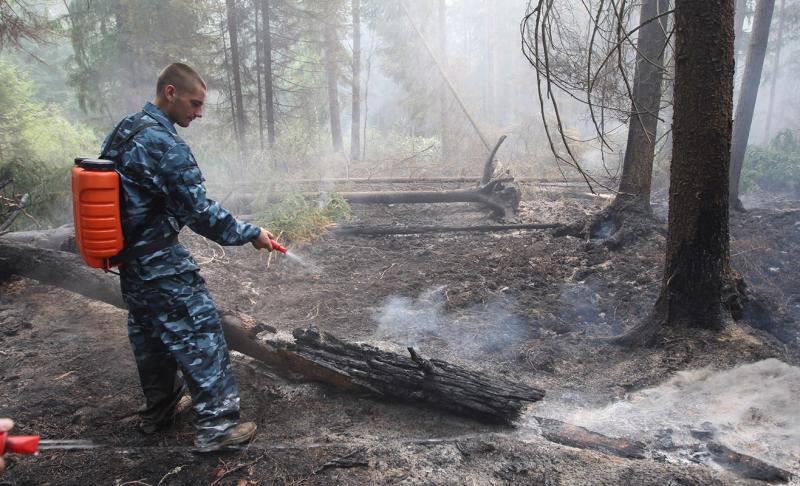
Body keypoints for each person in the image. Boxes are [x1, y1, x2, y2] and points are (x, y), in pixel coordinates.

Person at [100, 63, 274, 452]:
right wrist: (250, 233)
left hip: (131, 263)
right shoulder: (166, 145)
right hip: (160, 262)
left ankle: (158, 413)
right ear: (171, 93)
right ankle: (217, 430)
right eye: (195, 104)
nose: (199, 113)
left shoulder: (126, 129)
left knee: (150, 338)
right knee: (201, 333)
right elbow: (199, 213)